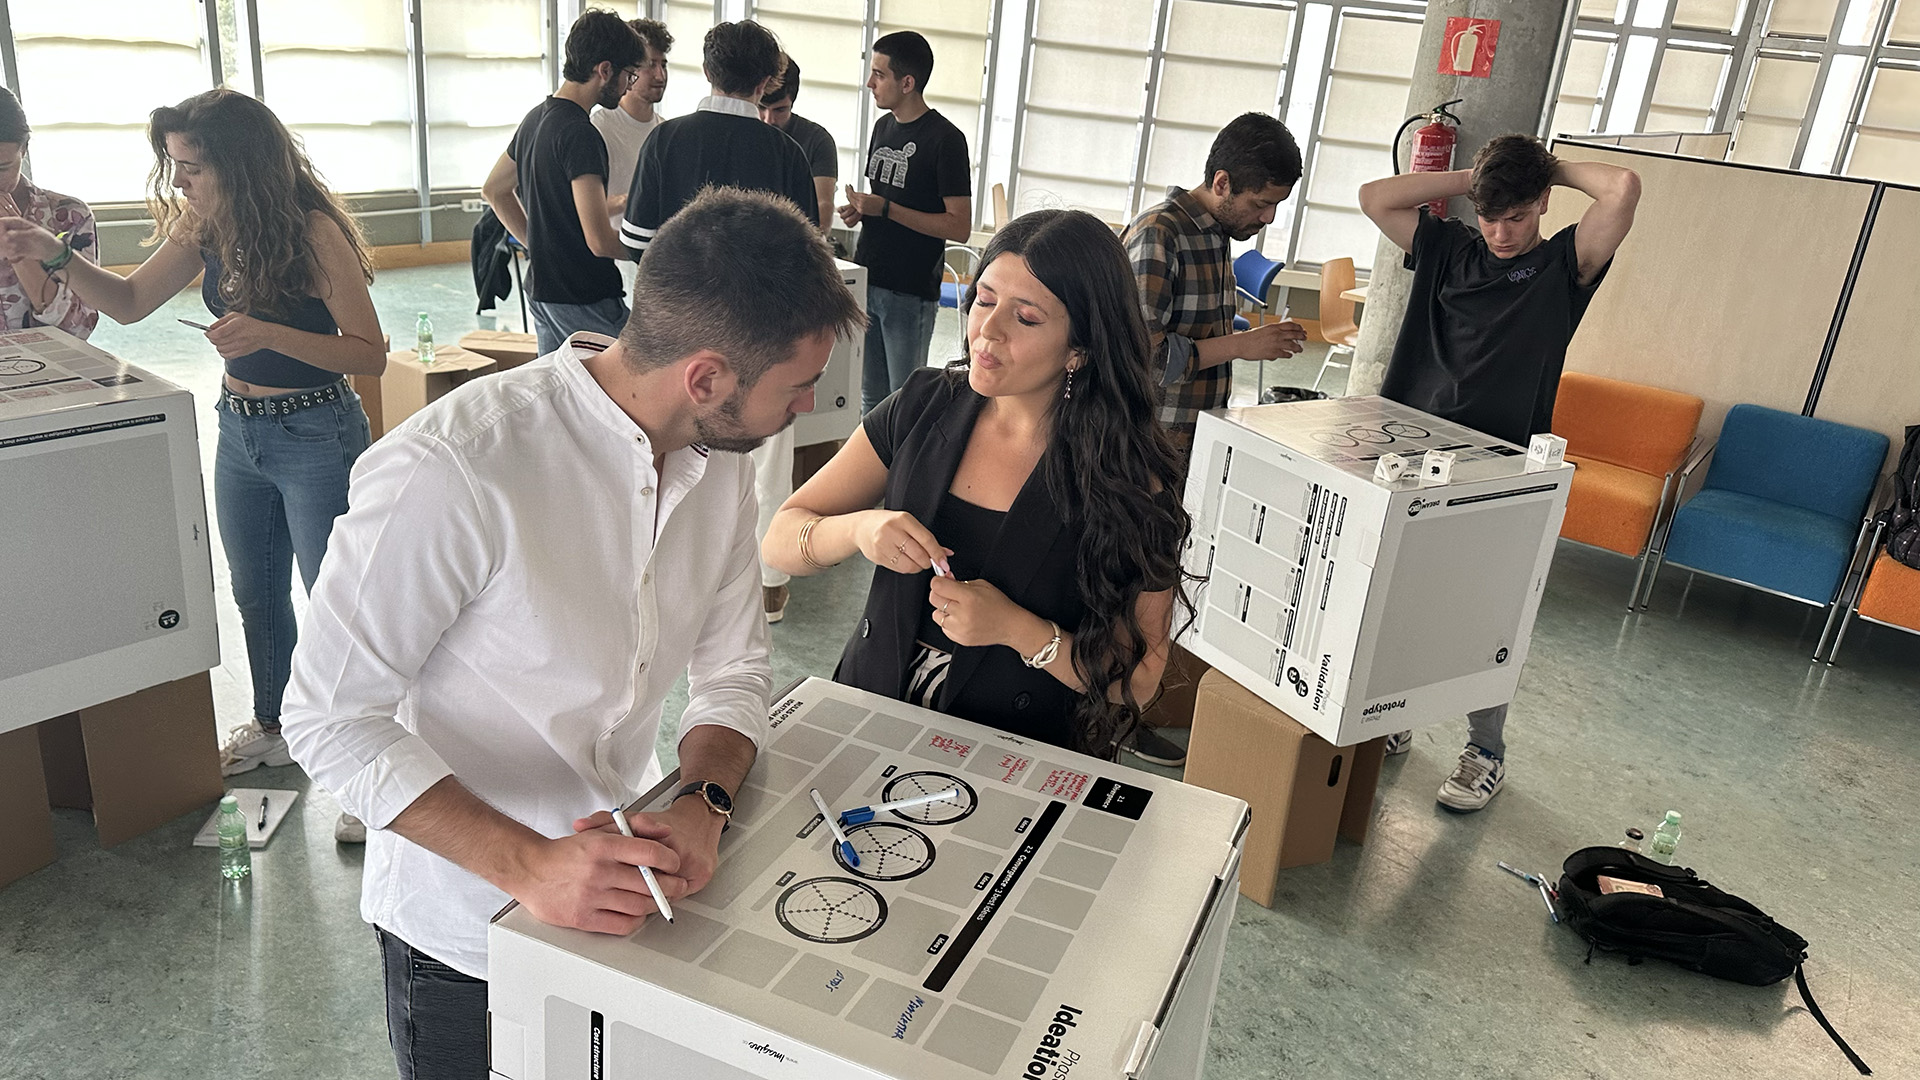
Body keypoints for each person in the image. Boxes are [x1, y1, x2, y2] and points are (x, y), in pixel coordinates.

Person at [281, 187, 863, 1080]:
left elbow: (736, 671)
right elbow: (328, 719)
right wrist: (529, 865)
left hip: (625, 899)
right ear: (706, 379)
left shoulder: (718, 465)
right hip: (463, 925)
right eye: (796, 387)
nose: (810, 403)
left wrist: (702, 803)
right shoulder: (457, 468)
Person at [0, 90, 386, 842]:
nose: (179, 182)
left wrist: (269, 333)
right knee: (256, 592)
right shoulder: (203, 224)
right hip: (240, 429)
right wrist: (54, 254)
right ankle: (274, 725)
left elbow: (369, 353)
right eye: (174, 165)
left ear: (242, 166)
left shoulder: (312, 232)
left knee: (339, 602)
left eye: (194, 168)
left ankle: (370, 771)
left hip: (315, 429)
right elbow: (129, 302)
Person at [763, 209, 1191, 759]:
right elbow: (780, 539)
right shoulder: (922, 405)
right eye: (984, 300)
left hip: (1014, 752)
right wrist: (859, 530)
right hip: (872, 712)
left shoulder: (1127, 475)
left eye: (1026, 318)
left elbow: (1140, 677)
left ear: (1079, 349)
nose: (989, 330)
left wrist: (1019, 631)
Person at [1358, 133, 1639, 812]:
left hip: (1503, 468)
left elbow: (1623, 188)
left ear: (1541, 203)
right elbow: (1375, 197)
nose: (1501, 232)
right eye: (1489, 216)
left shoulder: (1562, 264)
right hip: (1417, 457)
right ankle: (1395, 715)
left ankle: (1485, 751)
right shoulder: (1448, 248)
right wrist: (1477, 177)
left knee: (1486, 615)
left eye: (1515, 215)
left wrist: (1543, 169)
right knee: (1402, 598)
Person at [1120, 111, 1306, 768]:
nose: (1267, 219)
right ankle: (1114, 713)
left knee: (1158, 581)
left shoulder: (1215, 237)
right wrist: (1242, 345)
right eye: (1260, 204)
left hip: (1188, 445)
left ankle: (1135, 705)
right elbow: (1138, 352)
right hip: (1144, 447)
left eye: (1276, 206)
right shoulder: (1159, 235)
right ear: (1222, 182)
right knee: (1129, 582)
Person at [621, 20, 818, 627]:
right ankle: (770, 584)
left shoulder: (666, 140)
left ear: (707, 71)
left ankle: (670, 577)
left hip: (682, 333)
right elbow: (808, 255)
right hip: (765, 335)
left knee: (676, 451)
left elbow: (638, 244)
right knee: (767, 456)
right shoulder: (786, 153)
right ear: (768, 81)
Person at [483, 9, 645, 355]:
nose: (628, 86)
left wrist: (537, 246)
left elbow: (494, 190)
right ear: (605, 70)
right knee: (633, 378)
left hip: (543, 293)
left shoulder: (535, 119)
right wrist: (652, 251)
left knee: (559, 386)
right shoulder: (580, 134)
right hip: (584, 299)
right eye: (628, 75)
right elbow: (599, 241)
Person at [840, 30, 973, 414]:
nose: (870, 83)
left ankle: (904, 458)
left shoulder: (946, 139)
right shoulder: (882, 127)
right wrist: (862, 210)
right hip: (869, 277)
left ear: (908, 82)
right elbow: (886, 200)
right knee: (870, 399)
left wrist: (886, 209)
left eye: (879, 74)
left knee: (905, 402)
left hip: (910, 289)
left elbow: (959, 227)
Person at [0, 88, 98, 337]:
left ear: (24, 149)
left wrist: (17, 246)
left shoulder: (69, 216)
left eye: (2, 168)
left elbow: (79, 328)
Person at [590, 16, 672, 284]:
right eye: (650, 65)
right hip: (616, 272)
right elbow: (579, 211)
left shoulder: (665, 131)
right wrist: (633, 199)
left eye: (663, 64)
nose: (660, 75)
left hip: (659, 273)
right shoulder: (598, 128)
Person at [758, 57, 838, 231]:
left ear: (792, 104)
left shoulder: (817, 140)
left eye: (780, 110)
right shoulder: (740, 134)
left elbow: (823, 207)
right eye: (761, 107)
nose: (769, 119)